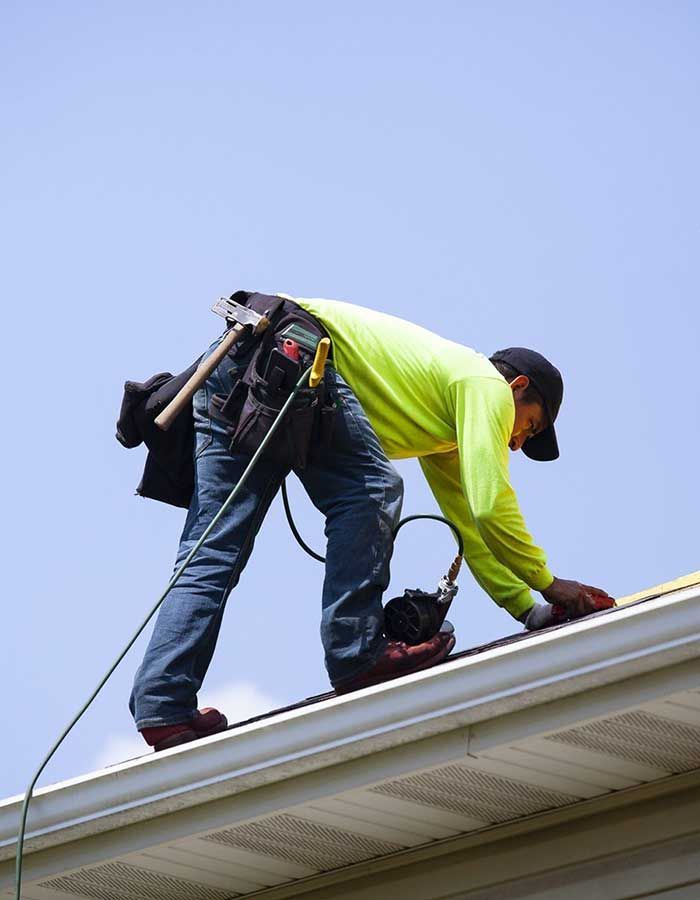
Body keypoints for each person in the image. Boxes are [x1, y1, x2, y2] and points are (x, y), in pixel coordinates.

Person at [129, 295, 610, 751]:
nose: (517, 444)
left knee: (211, 551)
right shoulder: (485, 385)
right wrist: (550, 583)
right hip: (296, 354)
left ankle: (162, 705)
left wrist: (530, 610)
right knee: (372, 490)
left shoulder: (440, 424)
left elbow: (470, 522)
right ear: (518, 387)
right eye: (531, 425)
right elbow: (491, 506)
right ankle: (356, 654)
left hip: (241, 363)